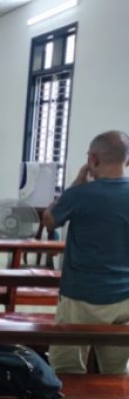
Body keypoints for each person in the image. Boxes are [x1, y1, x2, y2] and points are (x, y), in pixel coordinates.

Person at [44, 130, 129, 374]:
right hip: (124, 296)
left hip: (80, 295)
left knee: (66, 368)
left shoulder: (80, 194)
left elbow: (49, 220)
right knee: (115, 372)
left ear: (93, 159)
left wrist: (77, 182)